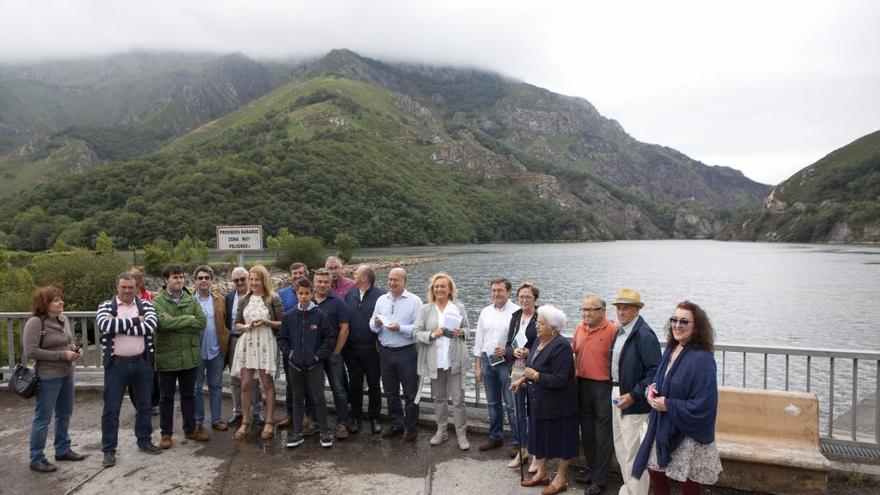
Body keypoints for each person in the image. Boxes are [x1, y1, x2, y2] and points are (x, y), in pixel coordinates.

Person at [633, 301, 722, 495]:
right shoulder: (672, 349)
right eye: (674, 320)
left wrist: (668, 404)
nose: (677, 325)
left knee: (689, 484)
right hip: (662, 425)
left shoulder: (703, 359)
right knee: (656, 475)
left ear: (696, 326)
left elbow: (705, 405)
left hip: (686, 432)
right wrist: (652, 391)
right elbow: (661, 381)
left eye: (684, 321)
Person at [511, 305, 578, 495]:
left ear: (554, 329)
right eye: (537, 322)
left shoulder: (562, 346)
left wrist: (535, 376)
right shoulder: (537, 343)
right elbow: (531, 368)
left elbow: (560, 379)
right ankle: (541, 474)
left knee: (563, 441)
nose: (537, 326)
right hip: (538, 402)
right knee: (539, 437)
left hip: (559, 405)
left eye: (541, 323)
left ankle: (560, 479)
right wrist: (522, 379)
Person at [97, 272, 161, 468]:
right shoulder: (105, 306)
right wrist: (136, 321)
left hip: (142, 363)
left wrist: (119, 326)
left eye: (130, 287)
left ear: (136, 288)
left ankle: (144, 441)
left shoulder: (146, 305)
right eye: (123, 287)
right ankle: (108, 450)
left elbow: (151, 326)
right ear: (117, 287)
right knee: (111, 408)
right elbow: (104, 325)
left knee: (145, 406)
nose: (127, 291)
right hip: (116, 365)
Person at [23, 286, 84, 473]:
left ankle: (63, 449)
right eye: (56, 300)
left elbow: (67, 341)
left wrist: (74, 350)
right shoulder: (36, 322)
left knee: (65, 413)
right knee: (43, 417)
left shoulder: (63, 319)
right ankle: (36, 457)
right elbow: (31, 351)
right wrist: (62, 356)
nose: (61, 302)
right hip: (48, 376)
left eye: (61, 299)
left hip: (67, 373)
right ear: (45, 304)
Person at [610, 288, 661, 495]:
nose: (621, 312)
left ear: (636, 310)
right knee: (622, 449)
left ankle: (637, 492)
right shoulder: (620, 331)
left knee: (634, 454)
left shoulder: (644, 334)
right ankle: (629, 490)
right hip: (616, 393)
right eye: (619, 308)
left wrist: (633, 395)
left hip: (634, 402)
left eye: (626, 308)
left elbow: (655, 372)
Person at [412, 272, 471, 450]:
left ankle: (461, 434)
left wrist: (461, 332)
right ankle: (442, 431)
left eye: (443, 286)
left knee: (459, 399)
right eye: (436, 286)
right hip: (435, 361)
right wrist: (432, 334)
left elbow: (467, 328)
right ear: (432, 289)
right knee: (439, 399)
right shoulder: (425, 309)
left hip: (455, 361)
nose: (439, 289)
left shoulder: (458, 307)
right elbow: (415, 332)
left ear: (450, 289)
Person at [153, 265, 209, 449]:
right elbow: (162, 324)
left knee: (188, 395)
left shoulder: (191, 299)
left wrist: (177, 322)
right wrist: (188, 319)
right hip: (167, 357)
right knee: (166, 398)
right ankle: (166, 434)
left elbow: (201, 322)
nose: (179, 280)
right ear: (166, 280)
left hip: (189, 356)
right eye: (175, 277)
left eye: (181, 277)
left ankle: (190, 429)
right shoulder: (158, 302)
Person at [277, 277, 337, 448]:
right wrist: (290, 354)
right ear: (296, 294)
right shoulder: (289, 316)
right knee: (297, 398)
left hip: (314, 365)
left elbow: (329, 338)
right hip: (295, 365)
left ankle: (324, 432)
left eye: (306, 293)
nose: (303, 297)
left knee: (318, 398)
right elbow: (282, 338)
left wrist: (318, 356)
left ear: (312, 294)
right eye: (300, 293)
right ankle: (297, 432)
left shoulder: (320, 315)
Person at [231, 264, 284, 440]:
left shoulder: (272, 299)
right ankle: (246, 421)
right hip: (247, 342)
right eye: (251, 279)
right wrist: (248, 326)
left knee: (266, 383)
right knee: (245, 384)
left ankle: (269, 421)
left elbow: (282, 323)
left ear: (264, 280)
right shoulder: (244, 300)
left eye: (256, 279)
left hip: (266, 343)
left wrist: (267, 322)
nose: (253, 283)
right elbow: (237, 325)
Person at [370, 267, 423, 442]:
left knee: (410, 393)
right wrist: (377, 324)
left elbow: (418, 329)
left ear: (404, 281)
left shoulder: (415, 301)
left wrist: (399, 327)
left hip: (407, 352)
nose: (392, 283)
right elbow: (372, 324)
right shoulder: (381, 300)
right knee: (391, 392)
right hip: (385, 352)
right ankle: (396, 424)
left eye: (396, 280)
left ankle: (411, 427)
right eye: (390, 279)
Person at [572, 293, 617, 495]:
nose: (586, 313)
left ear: (602, 311)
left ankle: (601, 479)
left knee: (602, 434)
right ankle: (592, 470)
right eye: (584, 309)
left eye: (590, 309)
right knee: (587, 432)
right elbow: (575, 353)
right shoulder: (579, 328)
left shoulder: (613, 330)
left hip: (602, 387)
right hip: (582, 384)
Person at [473, 277, 520, 452]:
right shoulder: (485, 311)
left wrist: (508, 350)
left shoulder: (517, 312)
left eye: (500, 290)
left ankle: (517, 442)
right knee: (492, 402)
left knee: (511, 404)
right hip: (487, 360)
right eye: (493, 290)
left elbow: (521, 339)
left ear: (508, 292)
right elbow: (479, 340)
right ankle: (495, 436)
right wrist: (477, 366)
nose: (496, 294)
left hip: (507, 362)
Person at [343, 264, 385, 434]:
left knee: (374, 383)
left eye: (357, 273)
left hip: (372, 348)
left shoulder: (380, 295)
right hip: (352, 348)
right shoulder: (350, 295)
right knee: (355, 384)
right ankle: (356, 416)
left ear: (365, 278)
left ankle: (375, 417)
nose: (354, 275)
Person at [311, 268, 352, 439]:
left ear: (330, 283)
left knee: (339, 389)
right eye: (319, 282)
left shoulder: (338, 302)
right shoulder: (308, 300)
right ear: (314, 282)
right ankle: (314, 421)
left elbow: (344, 329)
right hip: (313, 354)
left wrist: (336, 352)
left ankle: (342, 423)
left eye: (325, 282)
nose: (322, 285)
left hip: (332, 353)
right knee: (313, 389)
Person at [192, 266, 231, 434]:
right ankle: (198, 420)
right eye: (200, 278)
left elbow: (226, 321)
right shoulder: (189, 301)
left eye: (206, 277)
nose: (203, 281)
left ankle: (216, 419)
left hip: (216, 350)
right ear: (195, 281)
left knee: (216, 386)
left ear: (212, 280)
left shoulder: (219, 299)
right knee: (196, 388)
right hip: (196, 352)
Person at [225, 266, 265, 426]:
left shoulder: (257, 296)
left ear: (249, 278)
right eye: (236, 280)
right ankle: (238, 411)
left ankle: (257, 412)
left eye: (243, 279)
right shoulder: (228, 298)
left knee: (254, 379)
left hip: (253, 340)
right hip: (234, 340)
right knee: (235, 378)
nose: (240, 282)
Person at [506, 283, 540, 469]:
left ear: (535, 299)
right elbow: (508, 342)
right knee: (518, 412)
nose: (524, 300)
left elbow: (544, 342)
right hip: (516, 369)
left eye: (528, 296)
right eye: (521, 297)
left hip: (532, 370)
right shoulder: (515, 316)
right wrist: (513, 351)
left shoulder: (540, 317)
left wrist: (529, 353)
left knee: (534, 412)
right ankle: (523, 450)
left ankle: (536, 454)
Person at [276, 262, 310, 430]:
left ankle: (310, 416)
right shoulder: (281, 294)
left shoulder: (311, 293)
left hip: (310, 347)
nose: (297, 276)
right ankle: (291, 415)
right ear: (290, 275)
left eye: (300, 273)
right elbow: (278, 319)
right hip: (290, 347)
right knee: (291, 383)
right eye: (294, 273)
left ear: (307, 274)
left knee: (310, 384)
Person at [129, 265, 159, 415]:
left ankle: (152, 403)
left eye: (138, 277)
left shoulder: (150, 296)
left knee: (151, 374)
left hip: (150, 341)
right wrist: (139, 320)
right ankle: (138, 405)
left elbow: (153, 319)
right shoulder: (127, 297)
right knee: (133, 378)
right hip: (131, 343)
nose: (136, 280)